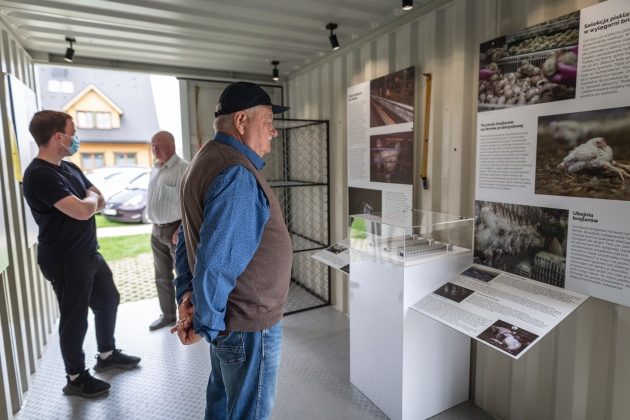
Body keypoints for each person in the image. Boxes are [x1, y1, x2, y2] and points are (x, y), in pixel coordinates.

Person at [171, 82, 292, 419]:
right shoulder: (236, 172)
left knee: (223, 405)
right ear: (241, 121)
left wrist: (187, 296)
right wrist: (205, 323)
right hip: (247, 324)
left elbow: (185, 238)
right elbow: (216, 263)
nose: (274, 132)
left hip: (228, 318)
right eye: (267, 121)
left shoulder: (204, 159)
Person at [23, 110, 140, 399]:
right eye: (72, 132)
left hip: (88, 252)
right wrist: (90, 202)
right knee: (75, 318)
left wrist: (89, 201)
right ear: (58, 136)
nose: (76, 138)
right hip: (65, 258)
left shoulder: (69, 168)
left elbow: (98, 196)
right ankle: (75, 378)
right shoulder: (39, 174)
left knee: (108, 299)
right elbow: (85, 208)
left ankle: (107, 354)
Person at [146, 130, 188, 331]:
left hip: (175, 230)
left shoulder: (183, 169)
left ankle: (188, 316)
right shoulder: (155, 169)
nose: (155, 149)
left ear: (171, 145)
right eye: (153, 145)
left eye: (159, 145)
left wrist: (181, 228)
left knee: (182, 275)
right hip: (156, 230)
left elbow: (193, 203)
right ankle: (168, 315)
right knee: (162, 275)